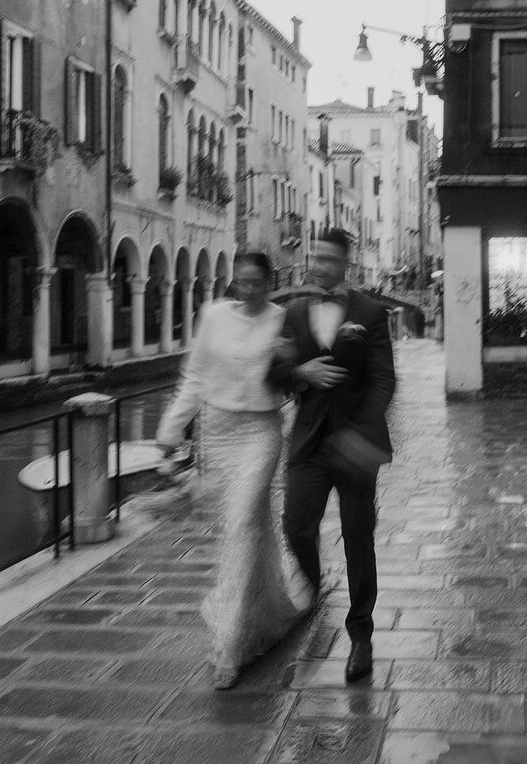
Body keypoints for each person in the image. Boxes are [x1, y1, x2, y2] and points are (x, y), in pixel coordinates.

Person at [155, 250, 310, 689]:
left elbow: (292, 376)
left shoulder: (283, 320)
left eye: (255, 283)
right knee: (244, 530)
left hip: (260, 433)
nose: (246, 290)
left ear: (269, 282)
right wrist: (170, 430)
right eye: (240, 282)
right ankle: (265, 609)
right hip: (217, 432)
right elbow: (195, 376)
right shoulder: (213, 315)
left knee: (243, 524)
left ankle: (229, 643)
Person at [267, 227, 396, 684]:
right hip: (307, 440)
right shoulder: (294, 312)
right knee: (296, 525)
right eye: (315, 256)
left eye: (328, 259)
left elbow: (383, 379)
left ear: (346, 263)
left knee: (358, 536)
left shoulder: (370, 312)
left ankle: (361, 634)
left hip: (355, 441)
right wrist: (300, 370)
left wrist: (361, 431)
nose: (319, 265)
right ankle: (313, 589)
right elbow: (276, 370)